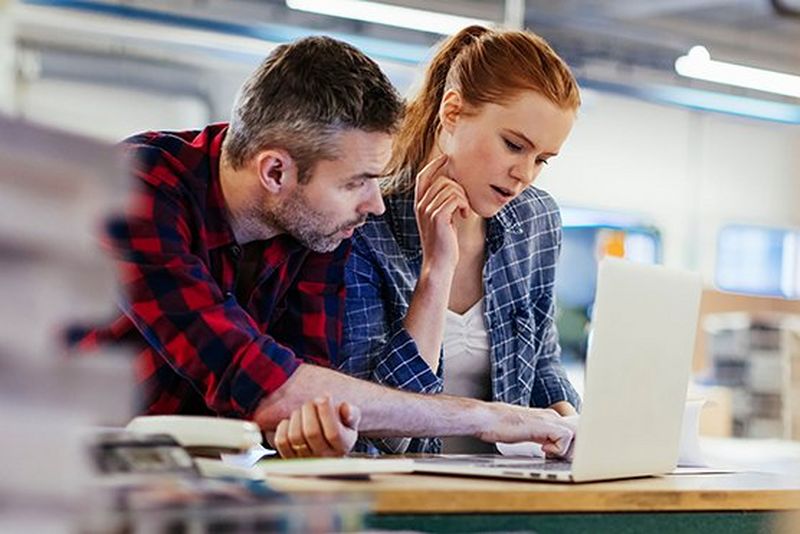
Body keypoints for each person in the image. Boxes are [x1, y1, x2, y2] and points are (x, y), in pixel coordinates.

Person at [75, 35, 576, 459]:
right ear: (275, 172)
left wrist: (320, 427)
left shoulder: (316, 227)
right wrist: (485, 417)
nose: (375, 205)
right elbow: (265, 384)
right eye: (356, 183)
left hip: (190, 475)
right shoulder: (135, 189)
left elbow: (312, 390)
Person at [337, 25, 582, 454]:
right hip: (395, 484)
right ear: (452, 113)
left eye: (542, 159)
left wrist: (571, 426)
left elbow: (542, 362)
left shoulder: (536, 220)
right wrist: (436, 271)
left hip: (504, 483)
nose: (525, 174)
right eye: (513, 145)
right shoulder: (363, 223)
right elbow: (381, 431)